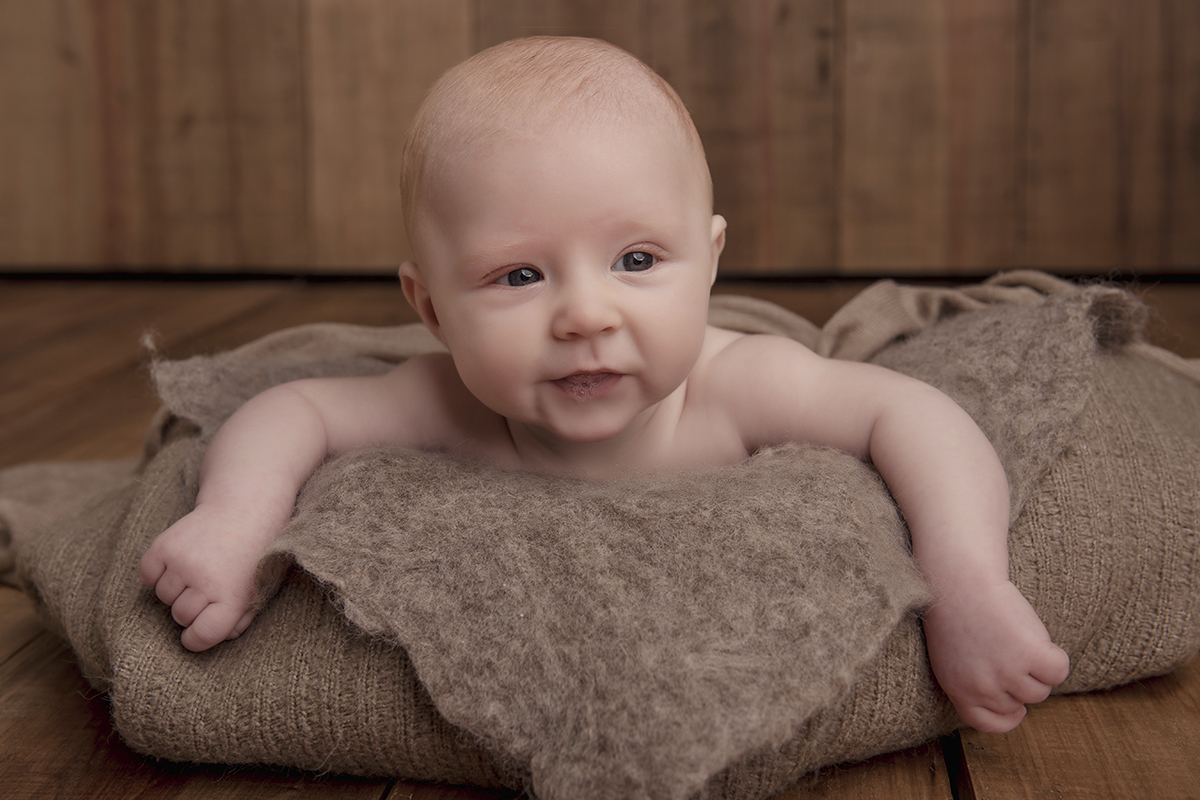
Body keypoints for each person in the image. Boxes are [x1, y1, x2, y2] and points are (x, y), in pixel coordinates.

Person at [140, 36, 1070, 734]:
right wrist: (231, 524)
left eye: (636, 259)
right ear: (430, 311)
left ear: (708, 263)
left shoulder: (742, 386)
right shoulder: (444, 403)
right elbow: (291, 408)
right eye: (519, 276)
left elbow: (913, 412)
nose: (586, 314)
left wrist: (965, 579)